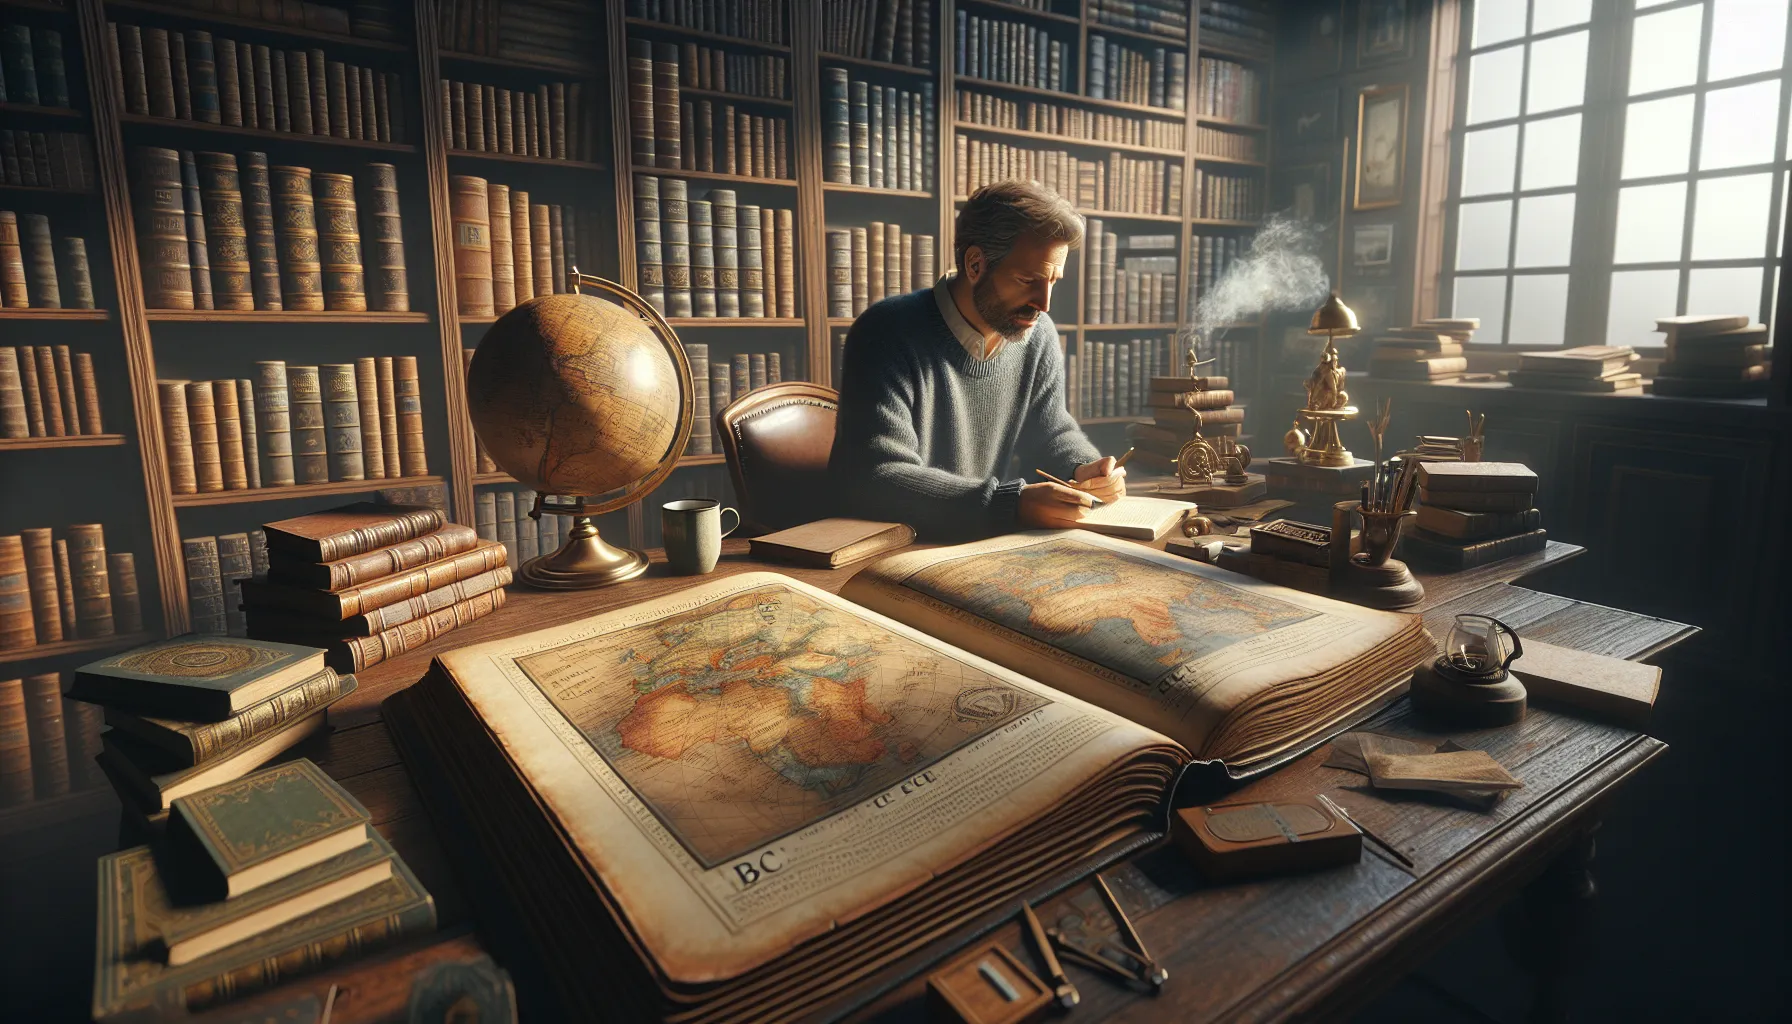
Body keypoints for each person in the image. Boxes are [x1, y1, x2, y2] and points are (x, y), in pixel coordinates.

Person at [828, 179, 1125, 541]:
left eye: (1053, 281)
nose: (1044, 303)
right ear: (974, 264)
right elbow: (878, 476)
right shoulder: (886, 331)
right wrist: (1007, 504)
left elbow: (1050, 432)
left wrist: (1084, 470)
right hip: (889, 550)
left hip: (984, 544)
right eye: (1027, 279)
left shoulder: (1037, 332)